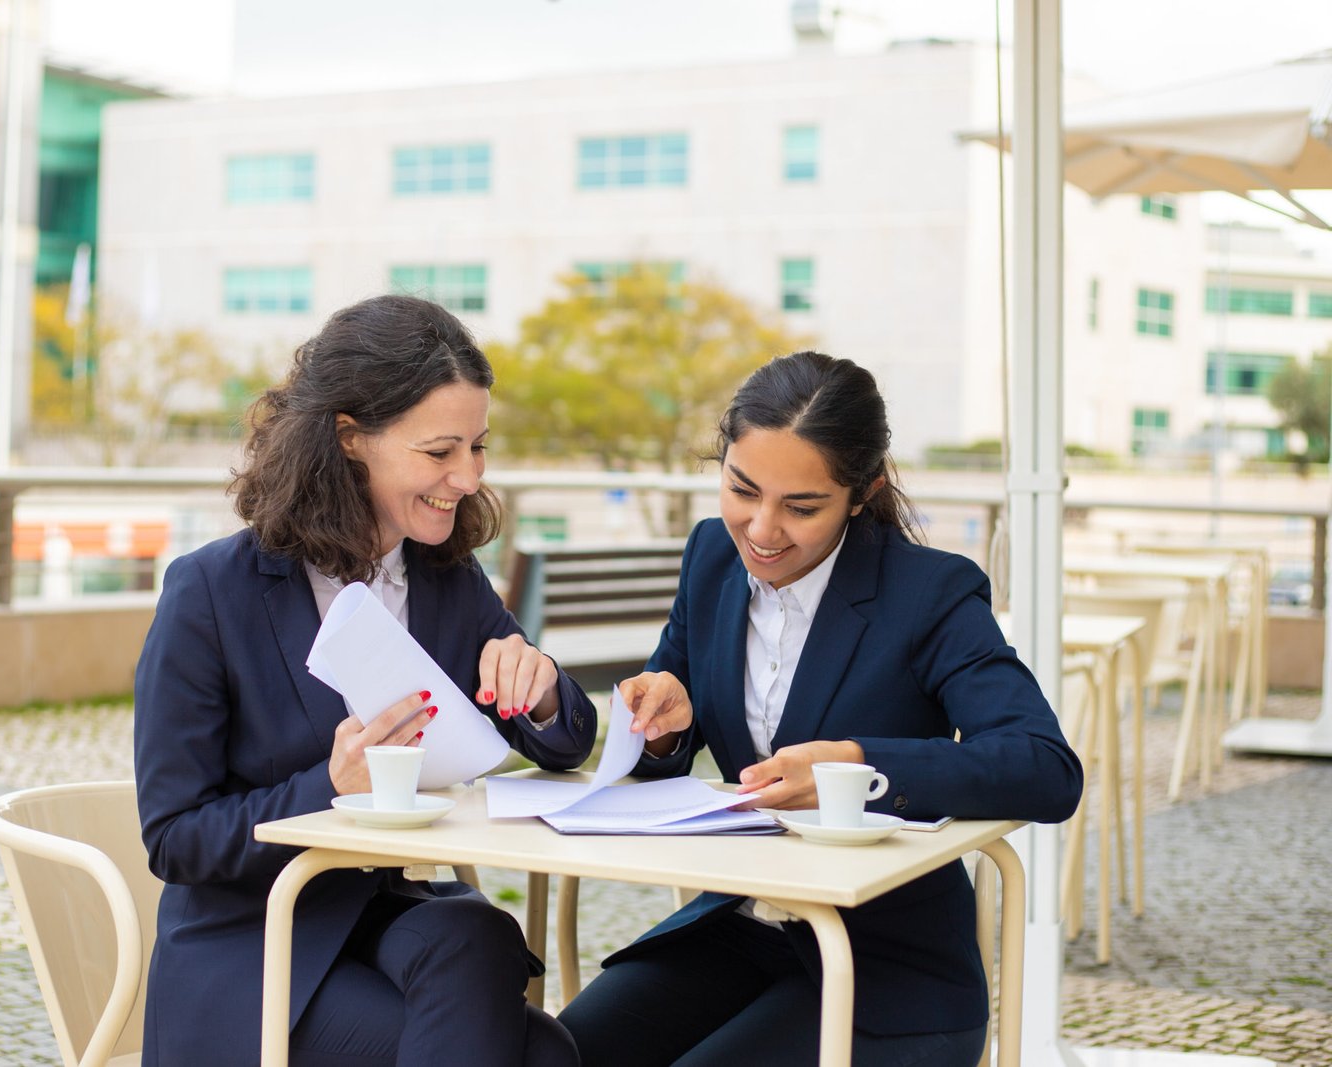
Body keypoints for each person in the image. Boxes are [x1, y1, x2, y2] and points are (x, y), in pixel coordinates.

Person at [557, 351, 1084, 1067]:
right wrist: (661, 725)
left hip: (890, 968)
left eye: (801, 507)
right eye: (743, 489)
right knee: (557, 1053)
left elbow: (1045, 767)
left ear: (861, 494)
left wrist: (860, 767)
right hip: (738, 927)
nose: (763, 529)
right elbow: (673, 721)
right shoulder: (712, 555)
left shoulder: (929, 593)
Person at [134, 294, 594, 1067]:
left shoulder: (446, 576)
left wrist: (542, 686)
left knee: (480, 927)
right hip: (251, 948)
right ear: (351, 438)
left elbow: (565, 740)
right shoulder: (210, 592)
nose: (468, 476)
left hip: (382, 916)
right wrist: (329, 786)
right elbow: (175, 837)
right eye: (440, 451)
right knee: (541, 1054)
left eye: (478, 447)